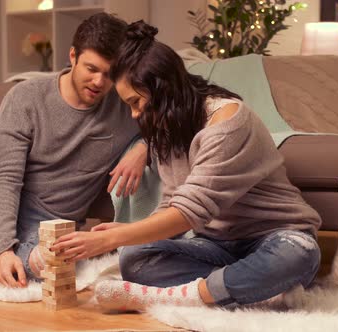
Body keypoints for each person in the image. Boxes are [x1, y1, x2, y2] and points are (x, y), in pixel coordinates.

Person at [49, 20, 323, 312]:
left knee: (298, 256)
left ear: (163, 90)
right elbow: (171, 202)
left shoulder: (227, 120)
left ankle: (187, 297)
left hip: (276, 237)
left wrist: (114, 237)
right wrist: (134, 232)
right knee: (134, 258)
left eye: (137, 102)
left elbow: (191, 211)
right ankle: (251, 290)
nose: (134, 114)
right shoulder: (167, 129)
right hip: (216, 246)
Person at [0, 13, 147, 306]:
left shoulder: (124, 108)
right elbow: (5, 176)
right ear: (72, 56)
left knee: (45, 266)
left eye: (109, 74)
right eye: (91, 68)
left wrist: (143, 146)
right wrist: (4, 249)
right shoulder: (26, 98)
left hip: (49, 228)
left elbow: (178, 123)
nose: (99, 81)